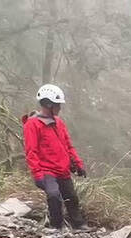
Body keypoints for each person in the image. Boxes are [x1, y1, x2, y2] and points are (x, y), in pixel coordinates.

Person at [22, 84, 87, 230]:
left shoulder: (59, 123)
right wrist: (37, 175)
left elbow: (68, 146)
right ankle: (56, 226)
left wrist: (78, 164)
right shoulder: (32, 124)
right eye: (58, 105)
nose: (60, 108)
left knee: (71, 197)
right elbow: (31, 152)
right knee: (54, 196)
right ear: (49, 104)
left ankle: (79, 224)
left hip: (62, 169)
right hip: (46, 171)